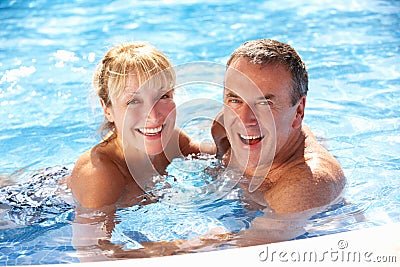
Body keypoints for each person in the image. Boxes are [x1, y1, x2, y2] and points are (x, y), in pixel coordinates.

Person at [212, 38, 346, 214]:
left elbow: (242, 242)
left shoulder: (305, 186)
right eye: (235, 99)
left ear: (298, 112)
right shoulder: (223, 128)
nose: (244, 120)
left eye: (265, 104)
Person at [66, 42, 203, 209]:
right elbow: (89, 236)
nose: (153, 116)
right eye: (133, 101)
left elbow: (223, 157)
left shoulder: (171, 140)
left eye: (163, 96)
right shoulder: (100, 175)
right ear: (107, 109)